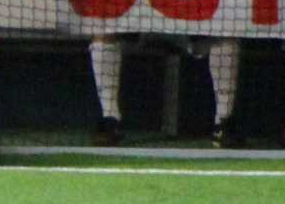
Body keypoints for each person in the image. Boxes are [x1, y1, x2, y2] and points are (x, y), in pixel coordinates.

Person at [87, 35, 241, 147]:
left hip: (189, 24)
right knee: (103, 28)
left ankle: (223, 123)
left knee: (226, 31)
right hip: (142, 23)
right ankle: (110, 119)